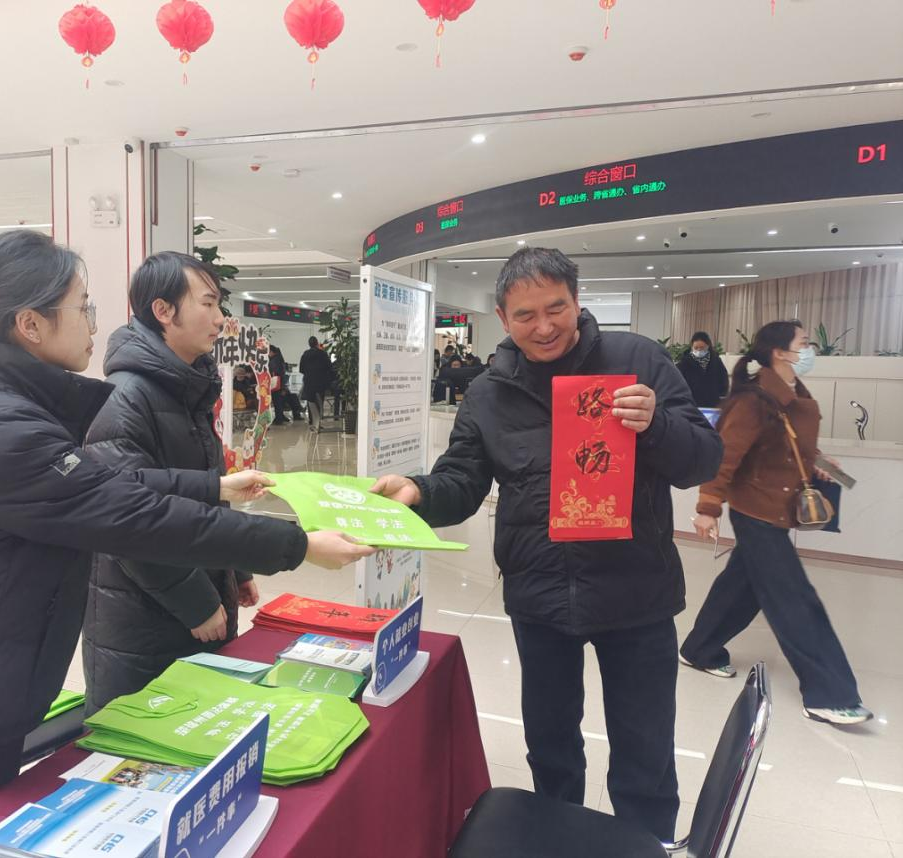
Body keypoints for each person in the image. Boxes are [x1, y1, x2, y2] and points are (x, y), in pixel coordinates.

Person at [0, 231, 373, 843]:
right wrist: (297, 546)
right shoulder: (1, 426)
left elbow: (110, 482)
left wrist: (212, 487)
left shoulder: (6, 404)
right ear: (30, 324)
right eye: (81, 306)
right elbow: (132, 515)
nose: (93, 322)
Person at [372, 247, 722, 842]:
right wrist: (420, 491)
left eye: (556, 308)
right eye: (525, 315)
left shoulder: (637, 360)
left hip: (636, 593)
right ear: (502, 318)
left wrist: (656, 424)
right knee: (552, 748)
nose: (544, 327)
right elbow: (462, 480)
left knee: (644, 754)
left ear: (577, 301)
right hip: (539, 597)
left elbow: (702, 461)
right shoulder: (488, 392)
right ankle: (558, 842)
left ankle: (646, 846)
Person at [80, 254, 324, 711]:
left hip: (198, 596)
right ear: (163, 311)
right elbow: (124, 519)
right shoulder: (127, 398)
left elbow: (207, 489)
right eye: (208, 304)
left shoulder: (186, 388)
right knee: (153, 738)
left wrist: (235, 570)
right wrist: (193, 600)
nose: (219, 319)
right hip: (145, 619)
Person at [681, 320, 872, 725]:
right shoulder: (754, 401)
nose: (809, 350)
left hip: (776, 509)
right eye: (804, 343)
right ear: (780, 352)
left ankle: (699, 649)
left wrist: (817, 462)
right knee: (795, 601)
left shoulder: (793, 393)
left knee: (741, 588)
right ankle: (829, 694)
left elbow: (788, 445)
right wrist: (708, 506)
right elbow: (724, 456)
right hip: (757, 512)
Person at [677, 331, 729, 407]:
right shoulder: (684, 363)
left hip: (713, 404)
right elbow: (678, 383)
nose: (699, 350)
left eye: (702, 348)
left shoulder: (716, 361)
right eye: (696, 348)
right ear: (691, 347)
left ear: (708, 346)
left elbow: (723, 379)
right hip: (691, 404)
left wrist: (721, 394)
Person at [299, 335, 333, 431]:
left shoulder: (305, 354)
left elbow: (301, 369)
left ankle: (312, 421)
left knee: (311, 402)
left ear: (309, 344)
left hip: (309, 382)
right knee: (319, 402)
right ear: (317, 343)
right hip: (320, 382)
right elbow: (329, 367)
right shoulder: (323, 354)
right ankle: (318, 422)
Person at [268, 344, 290, 425]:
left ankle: (279, 419)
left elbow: (275, 372)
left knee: (277, 401)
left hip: (276, 384)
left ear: (271, 352)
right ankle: (280, 417)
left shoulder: (274, 360)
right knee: (279, 401)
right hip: (280, 383)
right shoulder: (279, 358)